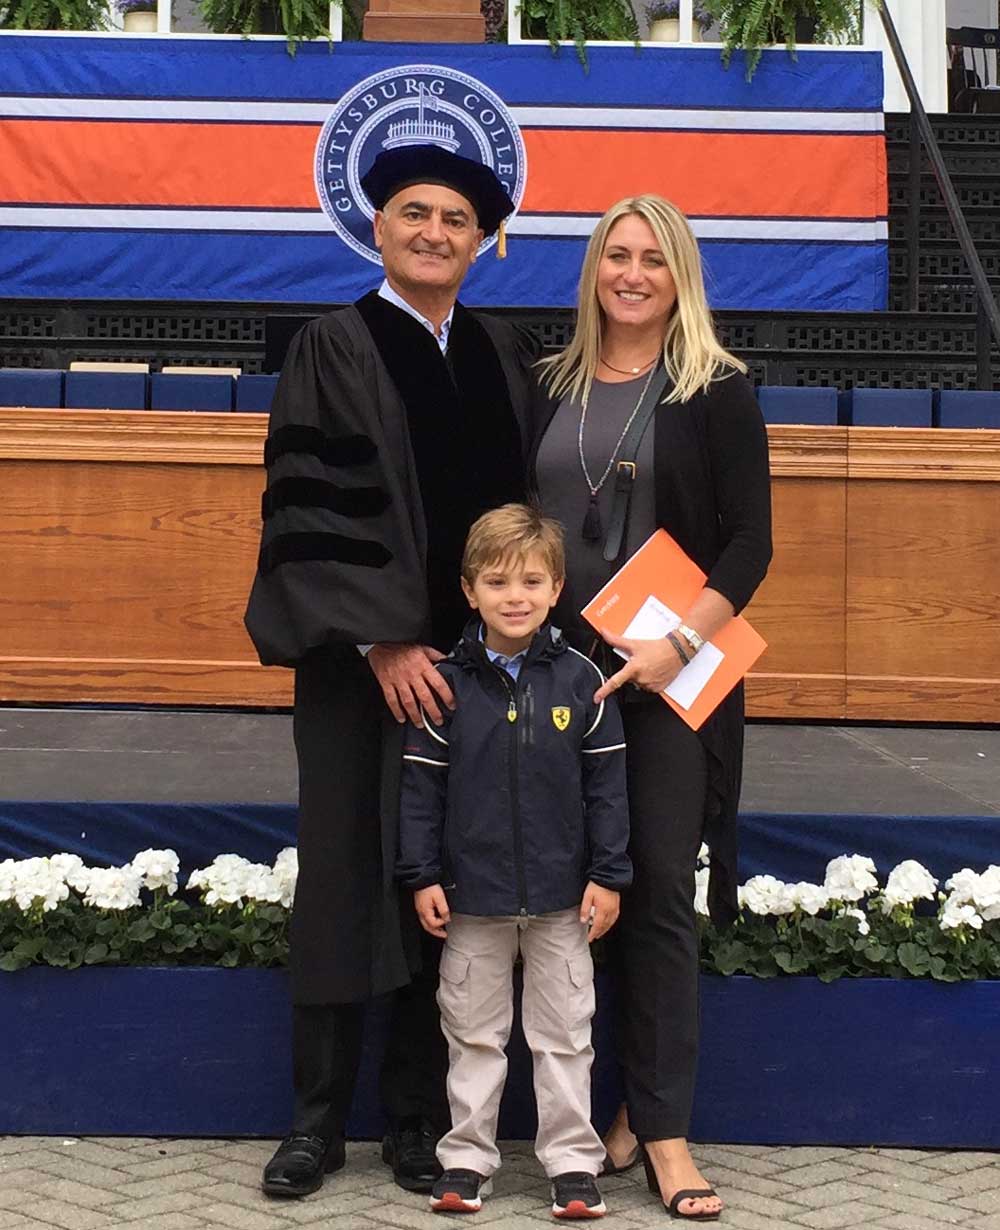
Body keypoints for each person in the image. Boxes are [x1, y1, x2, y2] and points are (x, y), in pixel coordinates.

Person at [244, 145, 539, 1199]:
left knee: (441, 889)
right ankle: (315, 1124)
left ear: (480, 242)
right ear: (378, 229)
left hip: (472, 680)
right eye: (413, 213)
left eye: (455, 219)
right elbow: (311, 511)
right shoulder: (333, 344)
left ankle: (417, 1120)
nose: (433, 231)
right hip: (357, 671)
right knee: (340, 877)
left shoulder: (504, 355)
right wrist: (380, 638)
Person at [531, 195, 772, 1222]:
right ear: (593, 270)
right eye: (615, 256)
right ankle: (593, 1117)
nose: (632, 274)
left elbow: (748, 547)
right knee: (572, 890)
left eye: (652, 260)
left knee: (660, 894)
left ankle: (663, 1134)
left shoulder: (715, 391)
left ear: (680, 278)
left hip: (672, 678)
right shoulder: (546, 383)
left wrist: (679, 640)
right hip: (552, 682)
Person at [396, 503, 632, 1220]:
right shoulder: (446, 685)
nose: (516, 596)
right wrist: (422, 875)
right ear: (469, 591)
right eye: (497, 582)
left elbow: (608, 791)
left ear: (557, 587)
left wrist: (609, 875)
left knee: (565, 1039)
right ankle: (466, 1161)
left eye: (532, 580)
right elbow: (419, 792)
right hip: (472, 900)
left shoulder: (583, 682)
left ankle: (572, 1167)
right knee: (472, 1034)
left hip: (566, 901)